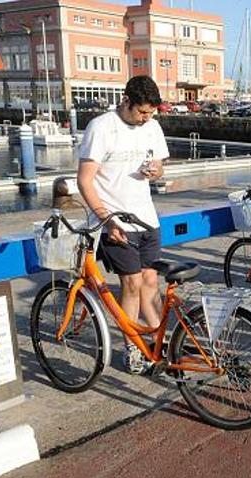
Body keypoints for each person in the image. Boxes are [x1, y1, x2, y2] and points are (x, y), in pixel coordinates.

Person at [77, 75, 170, 374]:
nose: (145, 119)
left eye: (150, 113)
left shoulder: (152, 126)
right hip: (115, 221)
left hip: (147, 217)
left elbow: (160, 164)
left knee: (151, 282)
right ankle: (132, 348)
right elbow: (84, 180)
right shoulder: (101, 128)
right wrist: (106, 219)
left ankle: (157, 341)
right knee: (130, 285)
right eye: (141, 112)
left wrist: (157, 170)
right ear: (126, 101)